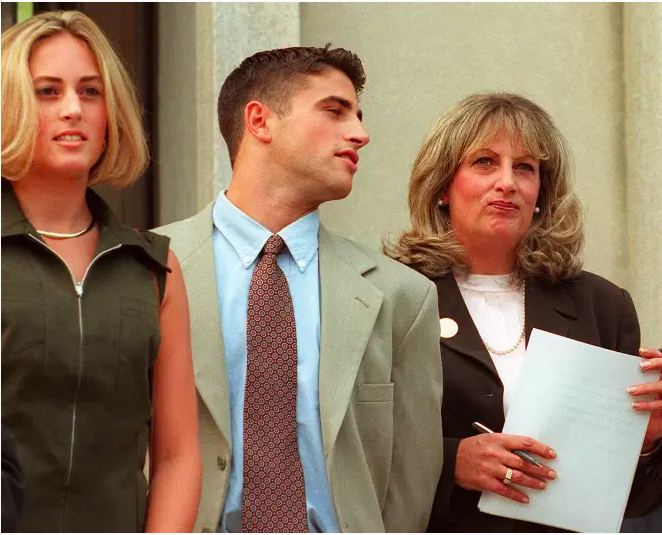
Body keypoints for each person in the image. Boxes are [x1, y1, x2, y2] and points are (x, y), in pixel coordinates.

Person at [156, 45, 443, 533]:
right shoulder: (149, 265)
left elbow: (409, 486)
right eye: (334, 111)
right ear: (260, 121)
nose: (360, 133)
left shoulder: (402, 297)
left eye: (357, 115)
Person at [384, 92, 662, 532]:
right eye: (485, 163)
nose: (508, 182)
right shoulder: (390, 297)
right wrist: (450, 461)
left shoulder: (603, 306)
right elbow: (352, 451)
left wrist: (646, 441)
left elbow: (633, 502)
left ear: (540, 196)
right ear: (441, 188)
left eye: (525, 168)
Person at [1, 11, 201, 532]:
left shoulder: (155, 269)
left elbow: (178, 454)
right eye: (47, 91)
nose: (73, 109)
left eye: (91, 92)